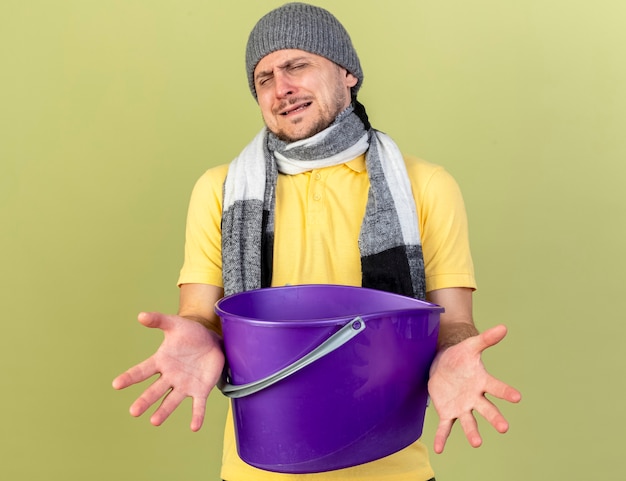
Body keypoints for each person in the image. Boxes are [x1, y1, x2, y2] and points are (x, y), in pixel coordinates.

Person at [112, 3, 522, 480]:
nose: (280, 88)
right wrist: (198, 336)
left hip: (393, 469)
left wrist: (455, 353)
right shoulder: (220, 190)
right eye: (263, 78)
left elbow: (452, 323)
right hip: (257, 470)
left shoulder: (424, 186)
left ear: (347, 72)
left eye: (296, 65)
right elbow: (201, 315)